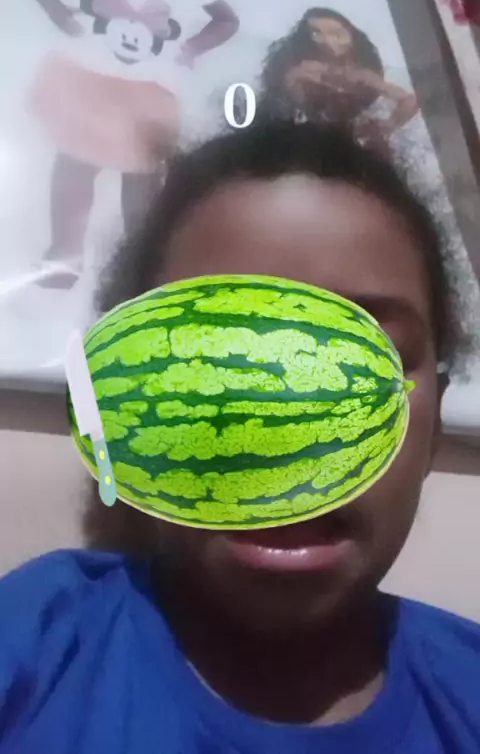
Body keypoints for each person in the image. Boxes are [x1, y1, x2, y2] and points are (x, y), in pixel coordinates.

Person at [1, 120, 480, 754]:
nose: (290, 422)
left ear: (435, 422)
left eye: (366, 361)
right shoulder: (34, 643)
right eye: (219, 356)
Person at [6, 0, 239, 289]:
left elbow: (227, 20)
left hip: (147, 93)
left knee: (143, 183)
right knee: (74, 172)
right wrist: (52, 7)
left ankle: (143, 263)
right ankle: (65, 256)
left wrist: (193, 48)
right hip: (87, 81)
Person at [258, 8, 418, 157]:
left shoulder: (360, 75)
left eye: (336, 34)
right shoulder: (299, 70)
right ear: (305, 39)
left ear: (352, 39)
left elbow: (409, 101)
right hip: (304, 138)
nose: (327, 41)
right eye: (316, 33)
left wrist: (389, 124)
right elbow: (285, 101)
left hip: (350, 139)